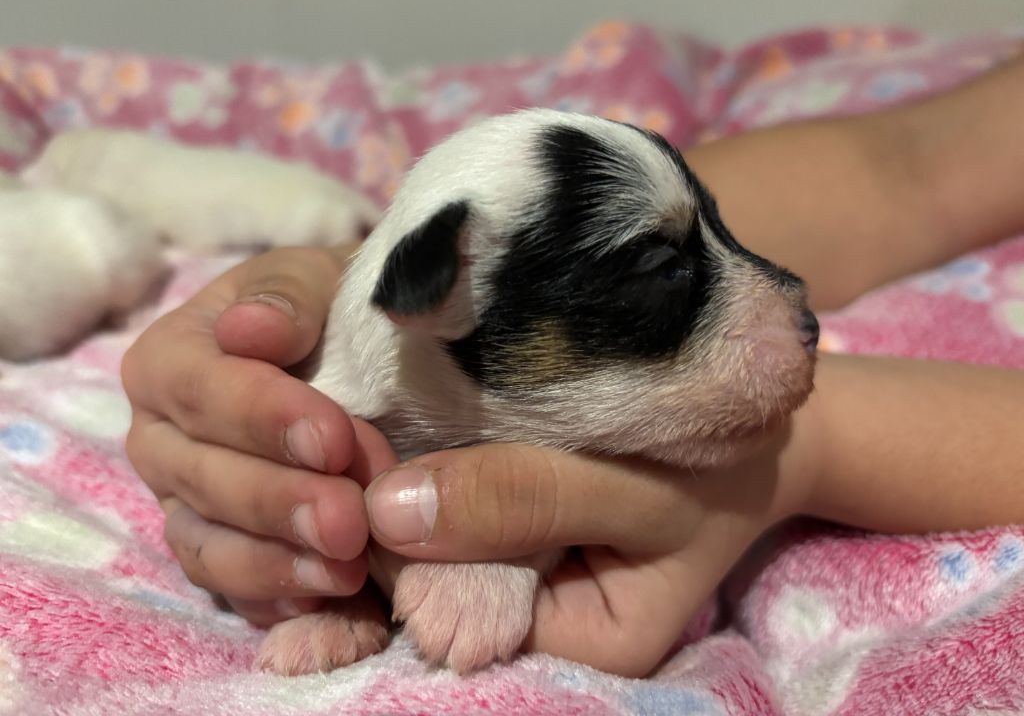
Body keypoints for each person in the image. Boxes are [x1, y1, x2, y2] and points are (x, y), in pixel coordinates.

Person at [122, 55, 1024, 677]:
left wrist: (797, 455)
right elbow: (916, 169)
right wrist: (354, 262)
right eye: (669, 265)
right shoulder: (398, 319)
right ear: (446, 294)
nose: (792, 307)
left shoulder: (467, 317)